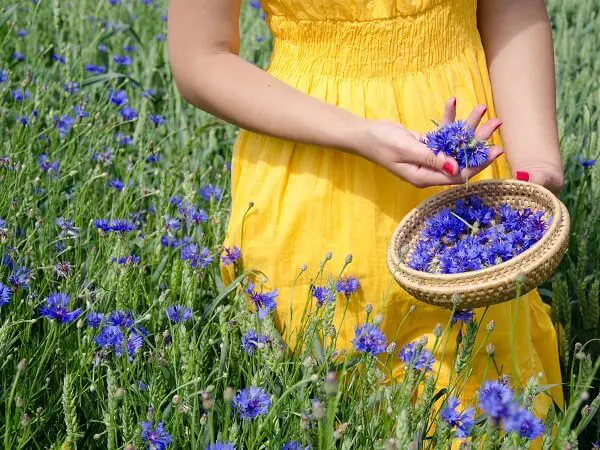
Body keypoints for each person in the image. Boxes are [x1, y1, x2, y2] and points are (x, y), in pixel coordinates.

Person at [167, 0, 564, 417]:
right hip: (316, 181)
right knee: (333, 408)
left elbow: (512, 9)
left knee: (475, 405)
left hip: (468, 185)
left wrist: (535, 160)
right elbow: (200, 58)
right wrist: (358, 133)